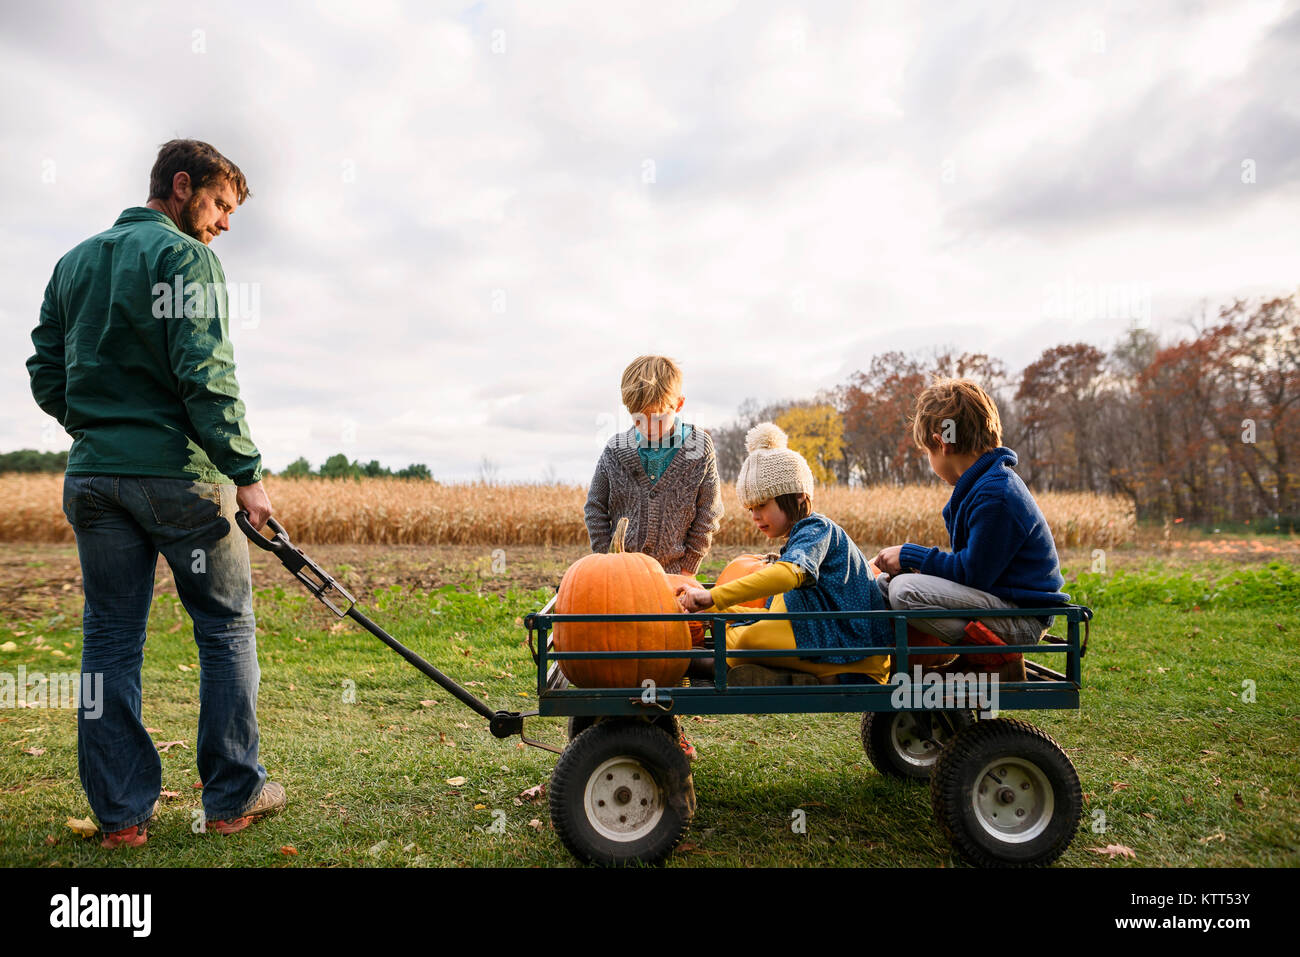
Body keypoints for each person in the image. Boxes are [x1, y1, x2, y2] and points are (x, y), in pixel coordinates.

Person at [27, 139, 284, 847]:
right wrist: (247, 473)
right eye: (221, 205)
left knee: (109, 637)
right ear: (181, 185)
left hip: (95, 477)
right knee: (226, 626)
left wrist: (95, 426)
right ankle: (231, 798)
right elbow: (207, 375)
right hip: (181, 478)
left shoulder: (74, 262)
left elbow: (45, 370)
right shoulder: (186, 258)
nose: (225, 223)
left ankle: (122, 819)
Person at [872, 377, 1070, 682]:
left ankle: (996, 663)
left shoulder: (996, 494)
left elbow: (973, 574)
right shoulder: (982, 486)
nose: (930, 459)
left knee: (905, 591)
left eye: (928, 451)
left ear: (942, 442)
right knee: (887, 584)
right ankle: (902, 661)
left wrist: (911, 555)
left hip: (1019, 617)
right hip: (998, 603)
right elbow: (973, 572)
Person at [677, 423, 892, 685]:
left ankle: (717, 663)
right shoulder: (795, 545)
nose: (755, 516)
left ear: (799, 498)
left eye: (762, 505)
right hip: (821, 640)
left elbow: (789, 575)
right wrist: (719, 612)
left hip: (855, 651)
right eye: (750, 508)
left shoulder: (818, 530)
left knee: (747, 639)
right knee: (745, 632)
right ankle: (763, 670)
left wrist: (714, 597)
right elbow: (773, 616)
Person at [585, 355, 723, 574]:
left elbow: (708, 512)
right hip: (621, 574)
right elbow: (595, 508)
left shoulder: (698, 447)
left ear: (678, 404)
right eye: (638, 419)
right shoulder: (615, 450)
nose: (647, 427)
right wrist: (606, 561)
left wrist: (689, 569)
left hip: (674, 575)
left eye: (657, 417)